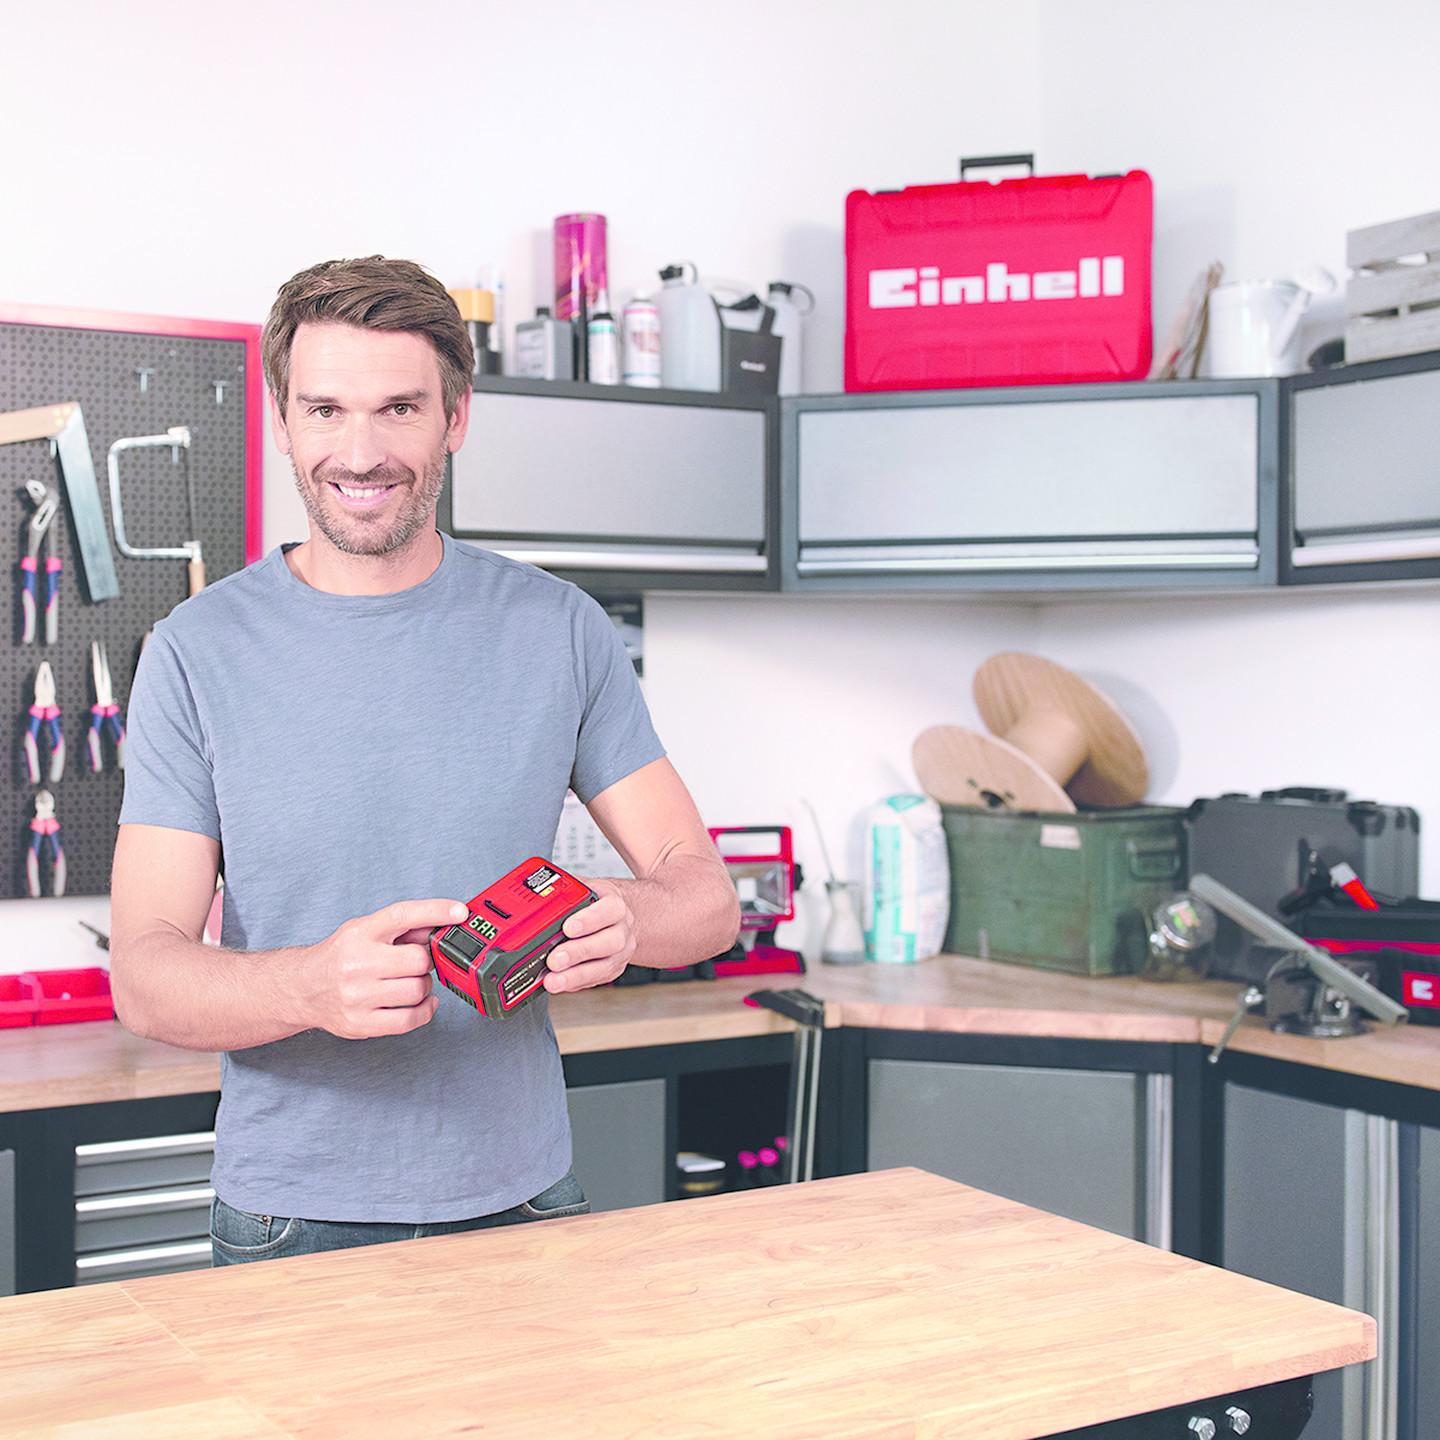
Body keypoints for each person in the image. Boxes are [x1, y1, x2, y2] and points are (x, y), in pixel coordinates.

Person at [109, 255, 740, 1264]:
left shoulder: (559, 629)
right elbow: (144, 977)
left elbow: (706, 900)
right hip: (288, 1223)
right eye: (325, 410)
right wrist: (310, 987)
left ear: (456, 416)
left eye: (398, 409)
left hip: (526, 1201)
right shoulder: (195, 651)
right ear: (283, 421)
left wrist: (627, 922)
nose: (360, 454)